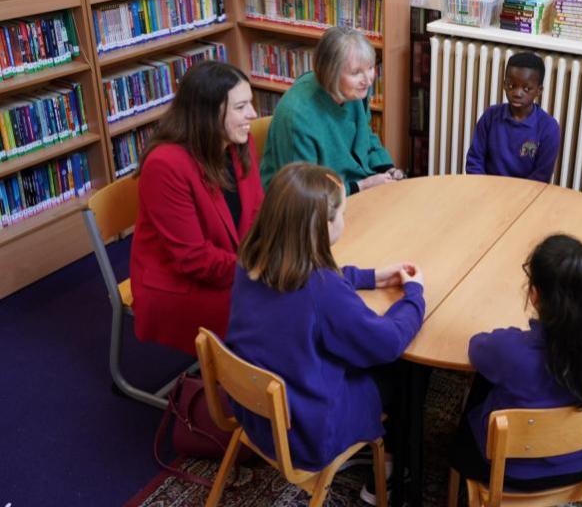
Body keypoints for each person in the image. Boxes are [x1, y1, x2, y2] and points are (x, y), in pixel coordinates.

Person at [227, 163, 424, 504]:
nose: (344, 221)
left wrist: (370, 276)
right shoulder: (321, 290)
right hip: (307, 432)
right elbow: (388, 341)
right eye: (341, 215)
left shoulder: (251, 259)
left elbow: (306, 281)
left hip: (255, 414)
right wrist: (415, 296)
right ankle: (391, 473)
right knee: (406, 369)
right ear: (323, 227)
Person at [449, 234, 582, 492]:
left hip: (509, 471)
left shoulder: (510, 350)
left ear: (534, 294)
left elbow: (476, 346)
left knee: (483, 381)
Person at [130, 60, 263, 355]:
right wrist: (259, 270)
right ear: (209, 114)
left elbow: (256, 211)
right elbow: (192, 259)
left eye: (250, 104)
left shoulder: (241, 143)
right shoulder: (165, 165)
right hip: (179, 285)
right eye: (241, 107)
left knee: (297, 294)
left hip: (230, 263)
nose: (253, 114)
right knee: (277, 310)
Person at [259, 26, 404, 192]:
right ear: (331, 73)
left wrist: (386, 169)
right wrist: (362, 186)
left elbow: (365, 137)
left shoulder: (356, 90)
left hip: (349, 185)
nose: (368, 81)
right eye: (356, 72)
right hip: (306, 204)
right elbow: (301, 192)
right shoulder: (297, 115)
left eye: (370, 67)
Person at [464, 52, 561, 183]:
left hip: (526, 196)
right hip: (486, 190)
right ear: (504, 84)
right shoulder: (490, 117)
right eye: (511, 86)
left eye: (526, 88)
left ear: (539, 90)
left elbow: (541, 177)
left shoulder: (549, 127)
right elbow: (474, 161)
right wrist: (483, 188)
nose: (517, 93)